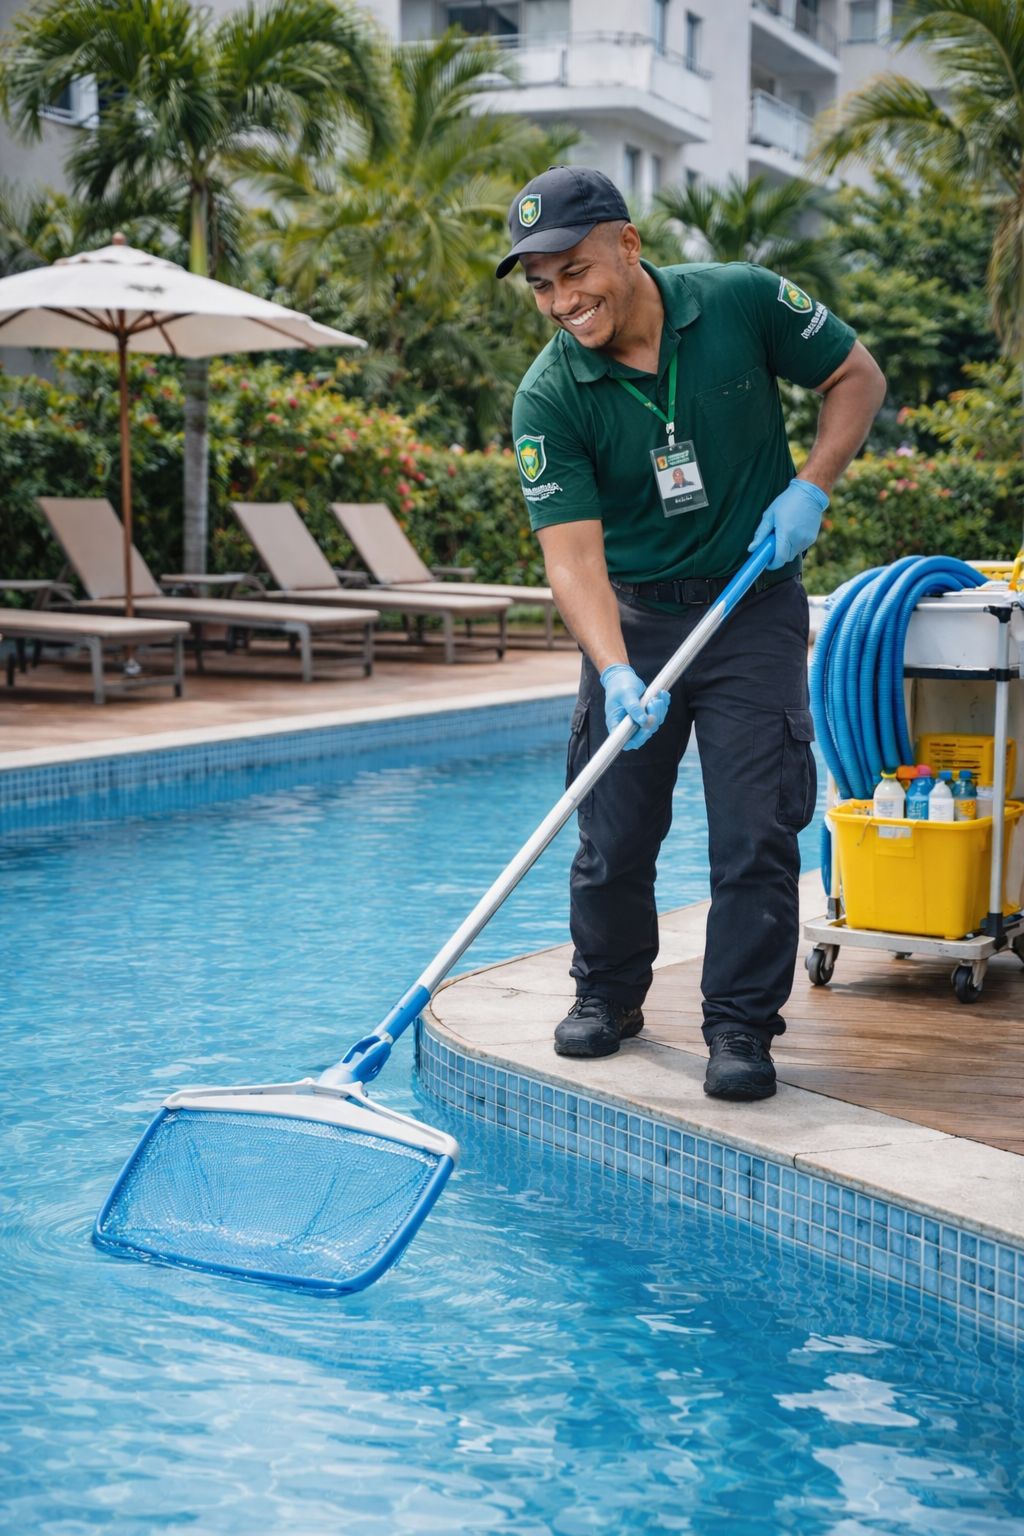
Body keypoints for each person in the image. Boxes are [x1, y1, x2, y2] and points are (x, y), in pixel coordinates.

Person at [497, 165, 885, 1101]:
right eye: (541, 284)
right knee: (614, 829)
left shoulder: (742, 301)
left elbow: (855, 376)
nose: (562, 300)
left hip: (751, 605)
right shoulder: (550, 398)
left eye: (574, 270)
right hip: (633, 613)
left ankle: (741, 1026)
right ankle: (608, 995)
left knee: (755, 832)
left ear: (627, 245)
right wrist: (615, 669)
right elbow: (572, 560)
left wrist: (814, 485)